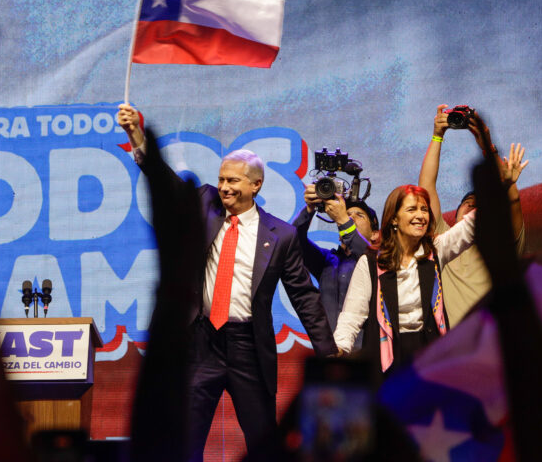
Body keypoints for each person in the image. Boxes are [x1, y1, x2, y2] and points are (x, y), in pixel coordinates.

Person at [116, 105, 337, 461]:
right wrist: (136, 136)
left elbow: (304, 296)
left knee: (264, 444)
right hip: (201, 343)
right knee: (185, 442)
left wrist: (329, 353)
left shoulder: (280, 235)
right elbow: (165, 181)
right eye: (221, 179)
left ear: (255, 185)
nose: (224, 187)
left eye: (233, 181)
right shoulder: (204, 203)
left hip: (248, 347)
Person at [333, 184, 475, 377]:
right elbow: (352, 315)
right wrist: (340, 347)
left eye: (424, 209)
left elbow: (470, 227)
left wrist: (502, 186)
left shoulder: (435, 251)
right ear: (394, 218)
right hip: (388, 354)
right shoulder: (371, 262)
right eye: (412, 209)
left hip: (428, 352)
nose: (421, 216)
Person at [418, 104, 528, 327]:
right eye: (467, 204)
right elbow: (426, 188)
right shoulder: (444, 241)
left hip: (494, 338)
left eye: (479, 206)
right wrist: (437, 136)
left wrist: (487, 145)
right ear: (456, 213)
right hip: (454, 342)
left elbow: (512, 201)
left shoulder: (503, 246)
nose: (472, 208)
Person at [292, 186, 380, 349]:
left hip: (368, 353)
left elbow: (366, 255)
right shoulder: (327, 261)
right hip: (329, 352)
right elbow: (293, 240)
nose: (350, 218)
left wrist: (344, 221)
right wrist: (310, 209)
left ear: (375, 234)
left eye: (359, 215)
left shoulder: (379, 260)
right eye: (348, 214)